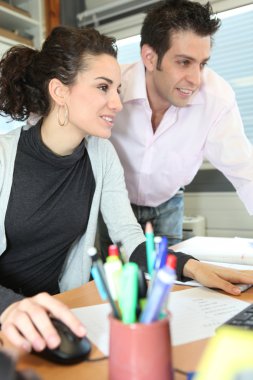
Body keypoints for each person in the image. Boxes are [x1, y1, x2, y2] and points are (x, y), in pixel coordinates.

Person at [1, 25, 253, 356]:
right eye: (103, 87)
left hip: (60, 314)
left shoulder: (102, 155)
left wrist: (192, 267)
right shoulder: (5, 155)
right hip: (10, 315)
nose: (117, 103)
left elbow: (128, 238)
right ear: (59, 91)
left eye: (117, 89)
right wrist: (9, 307)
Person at [98, 0, 253, 256]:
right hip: (116, 203)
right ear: (149, 57)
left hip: (168, 202)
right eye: (184, 62)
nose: (195, 79)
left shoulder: (217, 99)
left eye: (202, 64)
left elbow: (246, 170)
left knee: (171, 284)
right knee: (118, 284)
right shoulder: (113, 88)